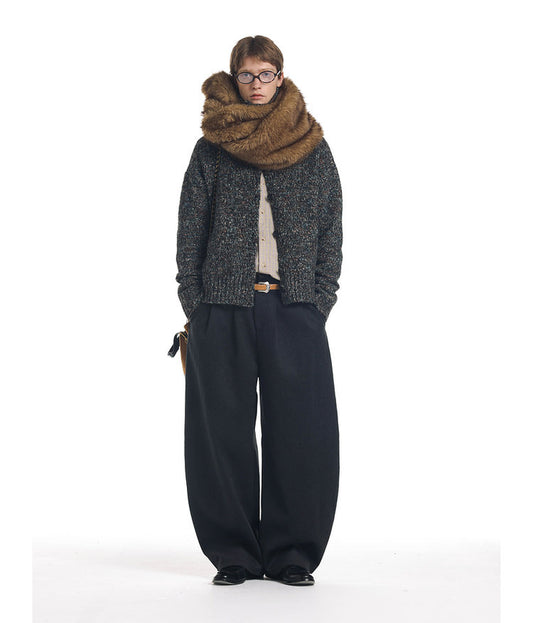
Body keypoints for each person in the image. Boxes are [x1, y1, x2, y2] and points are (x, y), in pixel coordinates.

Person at [174, 35, 343, 586]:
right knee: (220, 434)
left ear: (280, 76)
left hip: (294, 305)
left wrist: (319, 298)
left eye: (265, 73)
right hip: (222, 306)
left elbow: (331, 225)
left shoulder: (311, 146)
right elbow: (190, 229)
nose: (256, 84)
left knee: (303, 432)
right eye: (246, 75)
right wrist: (196, 303)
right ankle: (235, 555)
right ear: (233, 78)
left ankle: (292, 554)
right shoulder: (210, 149)